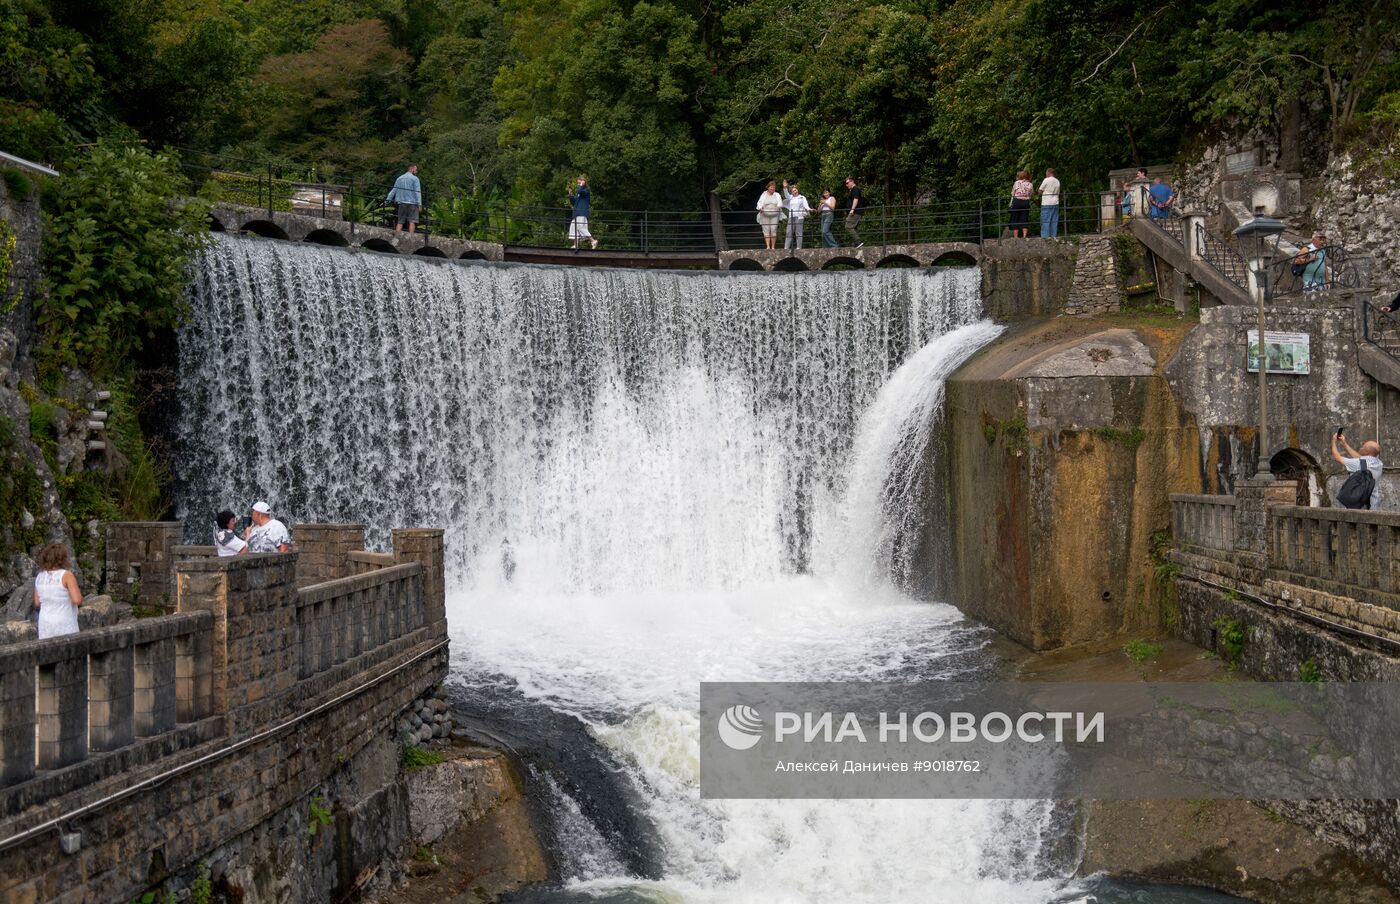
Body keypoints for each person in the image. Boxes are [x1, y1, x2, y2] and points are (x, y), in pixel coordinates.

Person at [34, 542, 82, 639]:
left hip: (45, 622)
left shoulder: (40, 576)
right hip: (63, 620)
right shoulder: (66, 575)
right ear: (62, 559)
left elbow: (37, 603)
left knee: (47, 651)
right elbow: (77, 600)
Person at [1332, 431, 1383, 511]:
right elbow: (1360, 458)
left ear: (1367, 452)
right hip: (1372, 504)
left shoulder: (1358, 463)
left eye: (1363, 447)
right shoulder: (1379, 464)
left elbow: (1337, 457)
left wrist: (1333, 441)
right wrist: (1344, 444)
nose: (1361, 448)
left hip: (1358, 504)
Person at [386, 164, 423, 234]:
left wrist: (387, 200)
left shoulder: (399, 178)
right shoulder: (415, 179)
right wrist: (419, 205)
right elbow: (417, 192)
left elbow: (394, 190)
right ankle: (411, 238)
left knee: (400, 222)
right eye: (415, 169)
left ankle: (396, 237)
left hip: (402, 202)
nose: (416, 171)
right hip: (413, 203)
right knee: (412, 221)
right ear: (411, 169)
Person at [568, 175, 599, 250]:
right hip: (576, 213)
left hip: (581, 212)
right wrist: (571, 195)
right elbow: (574, 202)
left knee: (580, 227)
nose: (579, 184)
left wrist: (581, 185)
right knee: (574, 228)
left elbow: (580, 191)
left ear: (584, 182)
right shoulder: (579, 193)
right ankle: (576, 245)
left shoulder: (586, 190)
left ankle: (593, 241)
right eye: (578, 183)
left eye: (580, 182)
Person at [782, 180, 811, 250]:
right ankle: (786, 248)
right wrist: (785, 188)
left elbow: (806, 205)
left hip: (799, 216)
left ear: (797, 190)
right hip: (791, 216)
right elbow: (786, 195)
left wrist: (809, 209)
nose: (795, 192)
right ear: (791, 192)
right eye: (793, 191)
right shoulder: (790, 197)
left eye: (795, 190)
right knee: (789, 232)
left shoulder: (802, 197)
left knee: (799, 232)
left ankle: (799, 247)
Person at [756, 181, 783, 251]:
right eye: (771, 187)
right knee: (766, 230)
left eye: (774, 188)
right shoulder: (764, 194)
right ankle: (768, 246)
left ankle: (773, 247)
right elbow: (759, 203)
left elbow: (780, 202)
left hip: (775, 214)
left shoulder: (777, 195)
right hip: (765, 214)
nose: (772, 189)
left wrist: (778, 206)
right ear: (768, 187)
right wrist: (760, 208)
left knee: (773, 230)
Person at [1037, 168, 1061, 238]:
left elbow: (1040, 190)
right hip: (1055, 202)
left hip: (1047, 202)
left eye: (1046, 173)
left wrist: (1041, 193)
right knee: (1054, 221)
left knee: (1045, 221)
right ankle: (1053, 236)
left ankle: (1045, 237)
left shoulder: (1046, 180)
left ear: (1049, 172)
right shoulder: (1057, 181)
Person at [1009, 170, 1033, 238]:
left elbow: (1012, 193)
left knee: (1015, 218)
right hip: (1025, 202)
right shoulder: (1030, 184)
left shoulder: (1017, 183)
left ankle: (1016, 237)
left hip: (1017, 201)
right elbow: (1031, 194)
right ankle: (1024, 236)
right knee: (1024, 218)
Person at [844, 177, 865, 247]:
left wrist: (852, 209)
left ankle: (858, 241)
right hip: (855, 211)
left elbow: (856, 199)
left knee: (848, 226)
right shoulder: (852, 190)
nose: (846, 185)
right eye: (846, 184)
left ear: (852, 181)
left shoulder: (855, 189)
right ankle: (856, 243)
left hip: (855, 211)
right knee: (853, 227)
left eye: (847, 183)